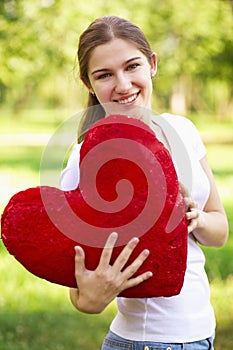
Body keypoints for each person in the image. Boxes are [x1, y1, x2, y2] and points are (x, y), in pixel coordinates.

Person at [60, 16, 228, 350]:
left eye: (131, 66)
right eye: (104, 75)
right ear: (88, 83)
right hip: (146, 342)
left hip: (201, 335)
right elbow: (81, 293)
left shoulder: (183, 130)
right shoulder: (86, 157)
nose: (122, 84)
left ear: (152, 64)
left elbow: (219, 230)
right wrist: (93, 295)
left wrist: (196, 218)